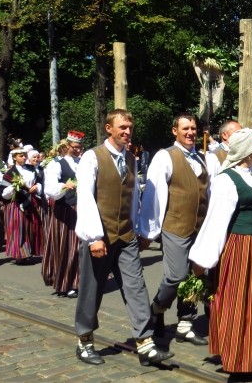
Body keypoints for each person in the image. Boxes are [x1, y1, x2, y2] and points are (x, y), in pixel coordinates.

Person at [73, 109, 173, 366]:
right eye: (122, 127)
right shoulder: (91, 157)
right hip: (101, 235)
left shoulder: (131, 158)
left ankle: (145, 342)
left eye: (130, 127)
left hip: (126, 235)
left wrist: (140, 229)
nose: (127, 132)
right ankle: (84, 340)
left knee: (136, 286)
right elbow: (85, 197)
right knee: (91, 290)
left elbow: (132, 199)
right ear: (109, 128)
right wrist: (94, 236)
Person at [189, 128, 252, 375]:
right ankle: (238, 359)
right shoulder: (226, 180)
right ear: (247, 150)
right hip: (240, 246)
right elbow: (216, 221)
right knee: (238, 303)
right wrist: (203, 261)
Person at [139, 113, 210, 346]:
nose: (191, 132)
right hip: (175, 226)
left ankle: (185, 322)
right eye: (185, 128)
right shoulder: (165, 157)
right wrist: (149, 231)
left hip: (198, 228)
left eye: (193, 128)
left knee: (194, 275)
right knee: (176, 276)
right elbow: (154, 195)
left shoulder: (202, 158)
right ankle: (157, 307)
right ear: (174, 131)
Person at [43, 132, 83, 298]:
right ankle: (66, 283)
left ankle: (78, 281)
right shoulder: (56, 164)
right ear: (67, 146)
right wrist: (64, 186)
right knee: (66, 247)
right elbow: (50, 189)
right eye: (75, 147)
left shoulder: (82, 163)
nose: (79, 150)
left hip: (82, 209)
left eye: (80, 147)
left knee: (80, 247)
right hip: (65, 210)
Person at [0, 147, 44, 264]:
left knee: (32, 226)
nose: (23, 158)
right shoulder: (10, 173)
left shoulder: (31, 168)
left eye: (24, 155)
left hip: (31, 201)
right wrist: (14, 187)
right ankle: (20, 254)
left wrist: (37, 187)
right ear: (14, 158)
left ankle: (30, 251)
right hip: (16, 203)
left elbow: (39, 181)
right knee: (18, 228)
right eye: (21, 156)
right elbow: (3, 193)